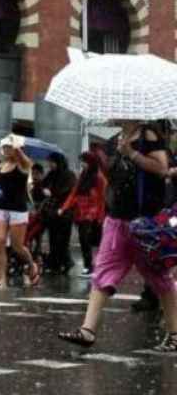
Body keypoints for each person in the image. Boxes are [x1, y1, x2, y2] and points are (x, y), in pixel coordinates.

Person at [58, 121, 177, 353]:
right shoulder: (115, 139)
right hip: (117, 219)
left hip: (145, 223)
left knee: (159, 278)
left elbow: (162, 168)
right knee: (103, 271)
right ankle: (87, 330)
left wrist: (131, 153)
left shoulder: (148, 135)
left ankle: (174, 334)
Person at [0, 135, 41, 288]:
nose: (5, 150)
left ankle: (32, 265)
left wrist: (16, 145)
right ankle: (2, 280)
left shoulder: (23, 165)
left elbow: (27, 162)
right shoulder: (1, 166)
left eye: (8, 147)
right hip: (2, 208)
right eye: (4, 147)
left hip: (18, 209)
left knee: (17, 247)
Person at [59, 151, 108, 278]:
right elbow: (74, 192)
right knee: (83, 238)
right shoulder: (83, 175)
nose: (82, 164)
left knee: (88, 238)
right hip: (81, 211)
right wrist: (64, 207)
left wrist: (100, 216)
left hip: (92, 212)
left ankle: (94, 266)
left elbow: (102, 198)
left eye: (84, 162)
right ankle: (89, 265)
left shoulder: (99, 178)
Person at [42, 152, 77, 275]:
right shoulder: (51, 174)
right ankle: (58, 264)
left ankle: (63, 263)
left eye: (52, 162)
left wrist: (51, 192)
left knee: (62, 240)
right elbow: (43, 184)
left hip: (65, 213)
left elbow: (68, 192)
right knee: (53, 239)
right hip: (52, 213)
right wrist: (43, 189)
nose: (50, 165)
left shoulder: (69, 175)